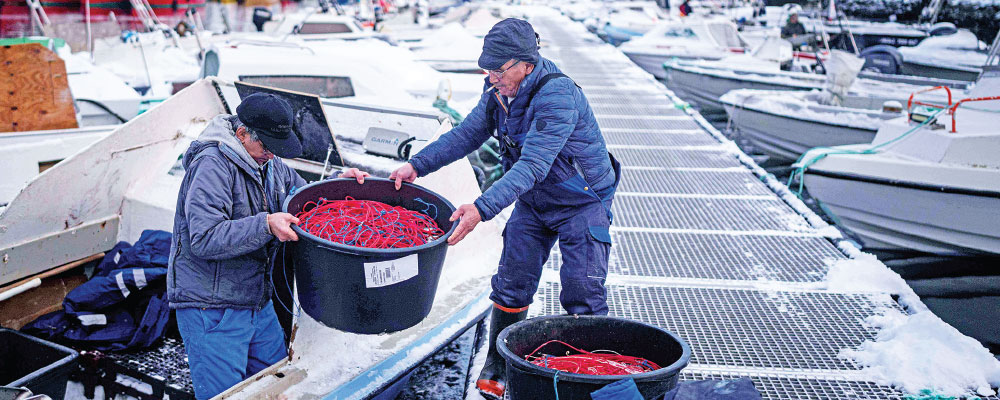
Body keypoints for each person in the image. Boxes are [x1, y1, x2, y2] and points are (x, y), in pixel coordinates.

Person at [388, 18, 621, 400]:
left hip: (582, 200)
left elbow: (532, 165)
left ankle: (585, 376)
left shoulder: (557, 96)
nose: (491, 76)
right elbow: (467, 134)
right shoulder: (497, 89)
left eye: (498, 69)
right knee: (513, 279)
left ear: (526, 64)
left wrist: (482, 208)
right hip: (534, 199)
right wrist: (418, 164)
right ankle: (498, 361)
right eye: (488, 68)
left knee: (582, 290)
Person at [167, 93, 369, 399]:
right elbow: (204, 238)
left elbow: (305, 197)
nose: (272, 155)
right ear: (242, 133)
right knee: (228, 395)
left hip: (256, 302)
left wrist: (338, 183)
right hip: (211, 308)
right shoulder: (212, 165)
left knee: (277, 382)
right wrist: (265, 225)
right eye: (267, 147)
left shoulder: (269, 163)